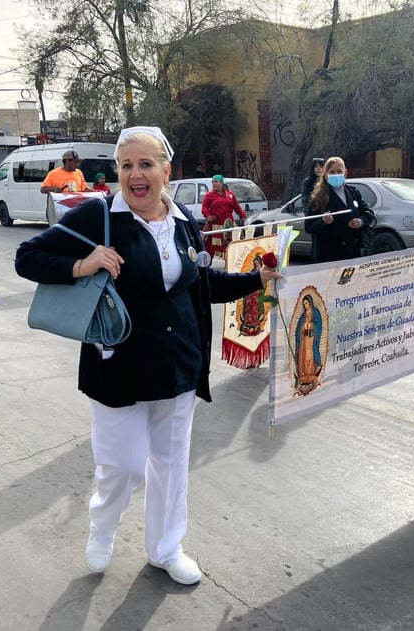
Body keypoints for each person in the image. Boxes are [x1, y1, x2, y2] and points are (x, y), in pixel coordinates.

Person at [15, 126, 281, 584]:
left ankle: (165, 547)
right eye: (126, 165)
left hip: (179, 363)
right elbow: (27, 257)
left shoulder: (184, 222)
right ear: (117, 171)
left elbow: (201, 284)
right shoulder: (99, 217)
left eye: (146, 164)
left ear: (166, 170)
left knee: (171, 463)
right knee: (121, 464)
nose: (136, 175)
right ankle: (103, 529)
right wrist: (83, 263)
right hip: (117, 365)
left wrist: (256, 281)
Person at [305, 156, 375, 263]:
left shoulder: (353, 192)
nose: (336, 174)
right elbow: (309, 226)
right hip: (328, 255)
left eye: (339, 171)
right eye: (332, 172)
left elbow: (368, 214)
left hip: (352, 254)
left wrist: (360, 222)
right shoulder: (319, 197)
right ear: (326, 175)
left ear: (345, 173)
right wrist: (323, 221)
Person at [201, 174, 246, 259]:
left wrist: (242, 215)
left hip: (229, 223)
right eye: (212, 182)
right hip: (216, 224)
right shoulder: (209, 195)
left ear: (221, 183)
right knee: (213, 245)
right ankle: (208, 262)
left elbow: (236, 206)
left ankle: (232, 260)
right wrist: (207, 215)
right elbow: (204, 207)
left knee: (231, 242)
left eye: (216, 182)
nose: (214, 184)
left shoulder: (230, 194)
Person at [294, 294, 323, 395]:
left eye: (306, 303)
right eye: (304, 303)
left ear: (310, 302)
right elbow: (298, 329)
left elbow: (319, 324)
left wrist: (311, 325)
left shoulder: (315, 313)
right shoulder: (303, 316)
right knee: (302, 357)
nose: (305, 305)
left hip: (311, 339)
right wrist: (303, 327)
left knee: (310, 357)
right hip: (303, 340)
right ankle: (303, 378)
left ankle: (310, 376)